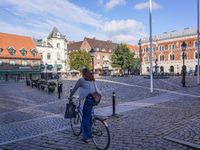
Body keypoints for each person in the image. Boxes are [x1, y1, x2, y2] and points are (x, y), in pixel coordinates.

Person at [69, 68, 101, 143]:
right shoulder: (92, 79)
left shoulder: (81, 80)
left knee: (85, 119)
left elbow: (74, 89)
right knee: (89, 110)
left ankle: (86, 138)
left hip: (89, 99)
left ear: (83, 74)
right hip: (96, 98)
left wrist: (70, 96)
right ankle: (93, 120)